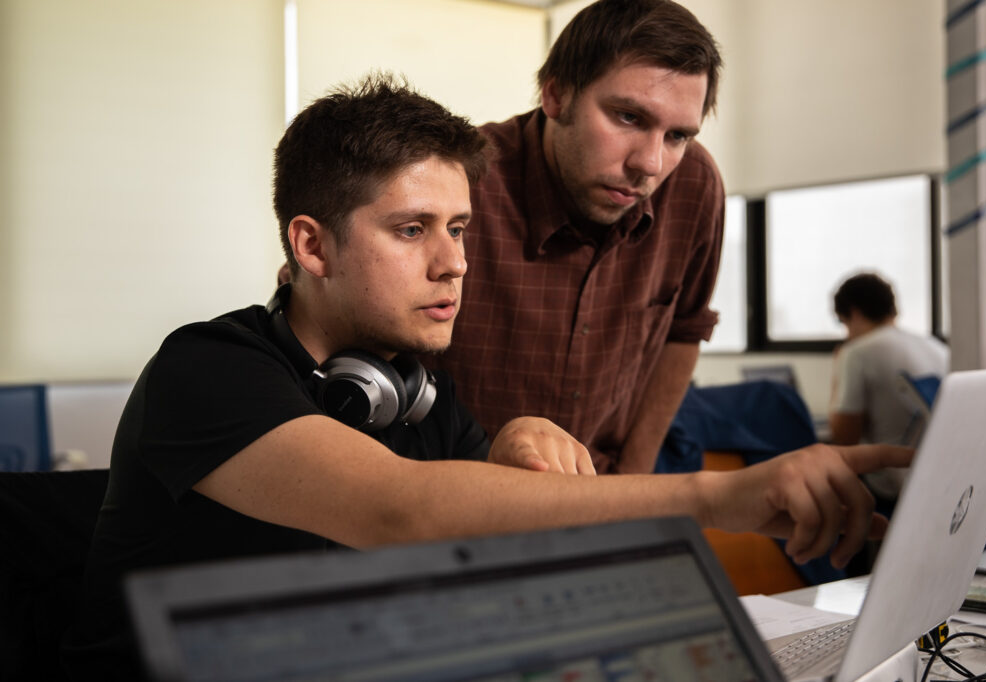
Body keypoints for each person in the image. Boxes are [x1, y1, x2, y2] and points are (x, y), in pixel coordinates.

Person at [62, 75, 909, 679]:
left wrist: (515, 446)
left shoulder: (417, 392)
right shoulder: (208, 369)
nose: (453, 263)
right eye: (412, 229)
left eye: (461, 228)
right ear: (312, 246)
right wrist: (719, 499)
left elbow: (505, 538)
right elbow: (402, 510)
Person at [427, 0, 726, 474]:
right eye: (629, 117)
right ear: (555, 95)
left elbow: (683, 332)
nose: (649, 164)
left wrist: (632, 483)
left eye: (677, 136)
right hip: (452, 496)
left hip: (601, 498)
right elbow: (328, 319)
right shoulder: (457, 180)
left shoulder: (694, 186)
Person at [829, 272, 948, 500]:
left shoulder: (856, 353)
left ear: (853, 313)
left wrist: (837, 370)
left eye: (842, 323)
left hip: (894, 483)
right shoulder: (936, 347)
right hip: (942, 471)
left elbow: (844, 438)